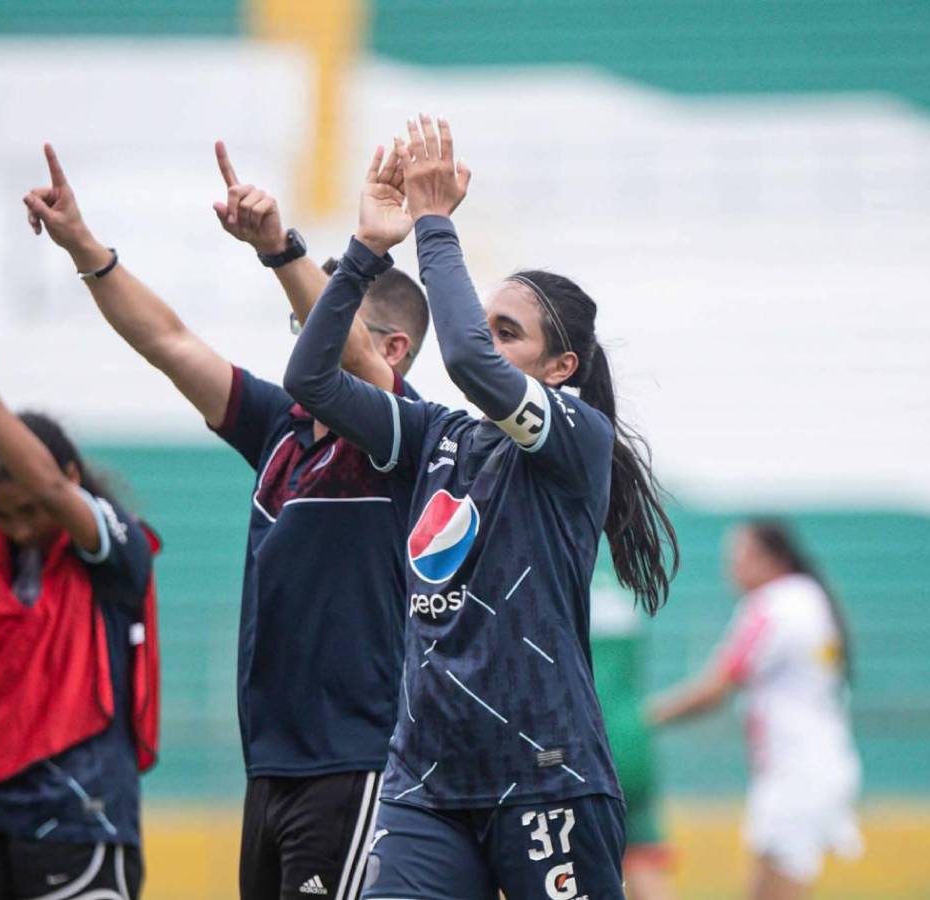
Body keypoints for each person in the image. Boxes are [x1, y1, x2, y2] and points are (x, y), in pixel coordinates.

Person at [283, 114, 679, 900]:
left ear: (560, 368)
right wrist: (365, 252)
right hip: (426, 784)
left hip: (545, 776)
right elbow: (312, 380)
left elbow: (463, 357)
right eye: (485, 324)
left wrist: (433, 224)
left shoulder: (574, 439)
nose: (486, 341)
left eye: (510, 333)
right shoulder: (434, 434)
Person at [23, 142, 429, 900]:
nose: (301, 344)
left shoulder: (401, 437)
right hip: (272, 765)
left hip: (353, 762)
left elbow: (347, 352)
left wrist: (280, 247)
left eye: (320, 326)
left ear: (393, 348)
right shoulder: (282, 426)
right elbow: (169, 341)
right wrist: (85, 246)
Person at [0, 332, 160, 900]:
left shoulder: (114, 545)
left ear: (70, 478)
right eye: (4, 513)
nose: (18, 526)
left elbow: (43, 484)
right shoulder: (0, 540)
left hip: (79, 805)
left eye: (29, 511)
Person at [648, 519, 862, 900]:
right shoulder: (809, 597)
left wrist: (644, 719)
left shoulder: (774, 605)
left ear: (771, 559)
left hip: (798, 774)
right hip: (818, 764)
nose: (731, 567)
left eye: (740, 556)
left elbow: (718, 685)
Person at [589, 581, 677, 900]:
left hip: (586, 742)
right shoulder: (622, 591)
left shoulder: (558, 587)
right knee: (643, 858)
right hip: (632, 735)